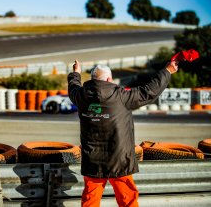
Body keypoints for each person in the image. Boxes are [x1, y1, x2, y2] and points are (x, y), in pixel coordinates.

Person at [67, 59, 178, 207]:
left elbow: (73, 87)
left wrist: (76, 72)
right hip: (119, 160)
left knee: (90, 201)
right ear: (108, 79)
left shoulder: (81, 96)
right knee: (128, 201)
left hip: (93, 161)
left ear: (93, 79)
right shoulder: (122, 96)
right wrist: (167, 71)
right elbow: (149, 91)